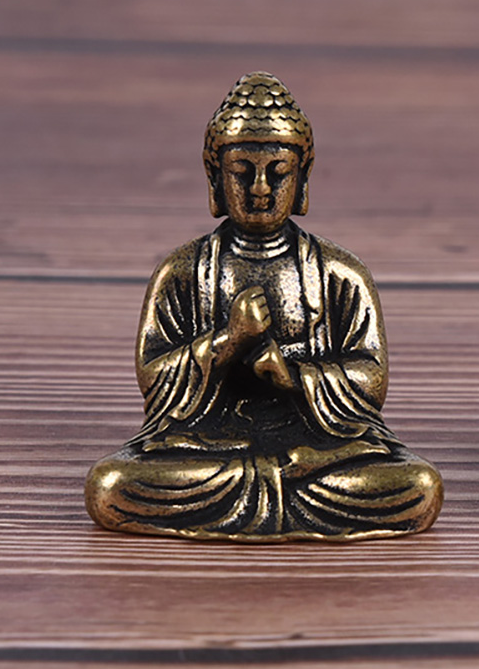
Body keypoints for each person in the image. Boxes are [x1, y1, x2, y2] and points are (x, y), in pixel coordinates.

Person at [86, 72, 443, 541]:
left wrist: (291, 376)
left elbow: (371, 379)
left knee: (419, 486)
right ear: (215, 177)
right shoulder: (183, 271)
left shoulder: (340, 273)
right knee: (111, 486)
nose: (259, 189)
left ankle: (263, 497)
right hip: (209, 445)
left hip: (319, 450)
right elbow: (154, 377)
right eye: (241, 172)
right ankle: (272, 497)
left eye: (278, 173)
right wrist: (228, 341)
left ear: (303, 177)